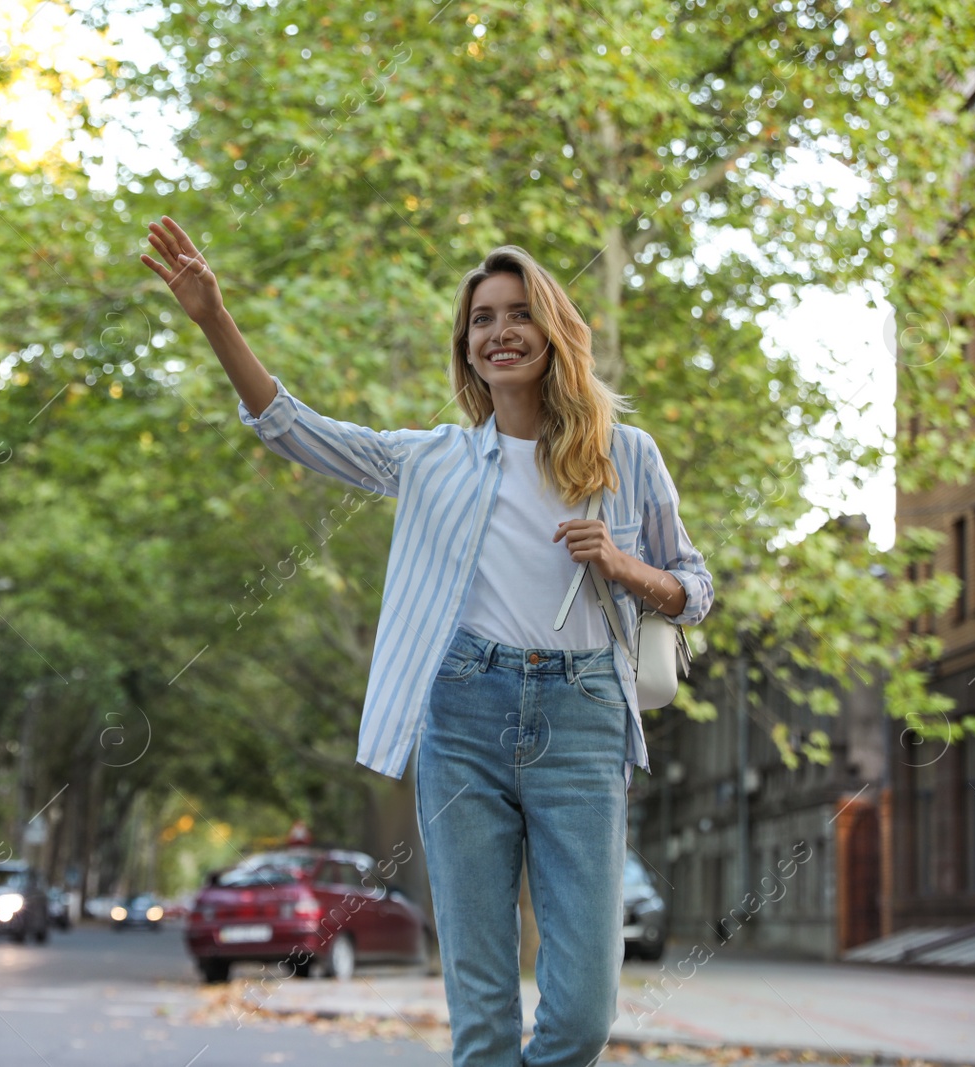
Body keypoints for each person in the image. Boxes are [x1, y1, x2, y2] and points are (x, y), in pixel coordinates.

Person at [141, 216, 713, 1067]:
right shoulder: (433, 459)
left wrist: (625, 567)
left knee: (585, 1011)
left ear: (552, 331)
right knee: (480, 1012)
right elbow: (292, 427)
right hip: (463, 715)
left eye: (517, 312)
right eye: (482, 319)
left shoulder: (625, 456)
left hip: (584, 715)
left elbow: (694, 590)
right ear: (468, 346)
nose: (500, 331)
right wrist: (215, 318)